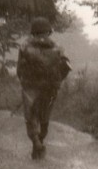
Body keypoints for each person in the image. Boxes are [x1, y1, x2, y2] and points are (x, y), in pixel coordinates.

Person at [17, 17, 71, 160]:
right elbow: (66, 67)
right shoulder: (58, 48)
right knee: (45, 115)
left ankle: (35, 141)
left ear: (33, 32)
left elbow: (19, 69)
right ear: (48, 31)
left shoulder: (24, 47)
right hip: (50, 87)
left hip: (31, 86)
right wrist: (57, 81)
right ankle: (41, 139)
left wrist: (24, 81)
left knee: (31, 116)